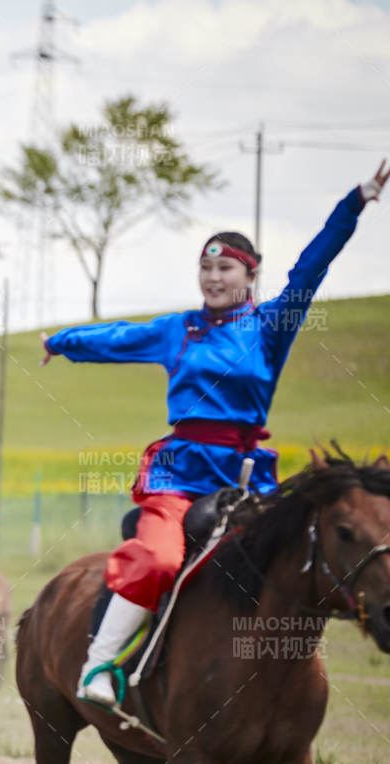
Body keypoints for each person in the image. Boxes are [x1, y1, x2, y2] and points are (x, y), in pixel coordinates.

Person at [42, 160, 387, 707]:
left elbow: (312, 266)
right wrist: (62, 342)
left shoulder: (271, 326)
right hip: (179, 475)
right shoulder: (177, 329)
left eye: (225, 267)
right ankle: (98, 666)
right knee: (159, 560)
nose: (213, 277)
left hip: (248, 476)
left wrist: (354, 203)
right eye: (206, 268)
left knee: (295, 559)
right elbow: (118, 338)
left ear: (250, 276)